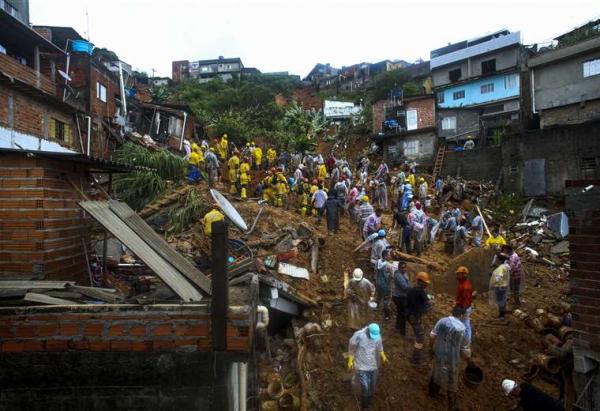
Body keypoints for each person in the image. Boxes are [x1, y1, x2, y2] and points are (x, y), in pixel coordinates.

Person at [428, 306, 471, 411]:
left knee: (436, 371)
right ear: (461, 316)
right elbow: (464, 349)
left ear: (452, 312)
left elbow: (432, 336)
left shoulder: (442, 321)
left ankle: (432, 393)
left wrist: (431, 348)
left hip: (439, 352)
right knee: (452, 380)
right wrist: (469, 360)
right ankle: (452, 406)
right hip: (453, 358)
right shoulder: (463, 329)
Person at [347, 323, 388, 411]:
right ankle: (364, 406)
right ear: (368, 331)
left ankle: (369, 402)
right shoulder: (359, 335)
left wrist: (383, 356)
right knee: (365, 387)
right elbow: (352, 348)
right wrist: (350, 360)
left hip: (372, 366)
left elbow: (380, 347)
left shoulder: (377, 336)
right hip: (361, 367)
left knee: (372, 386)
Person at [407, 272, 432, 365]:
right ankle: (415, 359)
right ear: (420, 282)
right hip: (415, 317)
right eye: (425, 283)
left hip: (410, 315)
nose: (426, 285)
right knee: (420, 337)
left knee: (418, 333)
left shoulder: (411, 289)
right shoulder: (421, 291)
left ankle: (416, 354)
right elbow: (428, 304)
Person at [455, 266, 474, 345]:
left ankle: (466, 343)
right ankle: (463, 341)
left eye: (459, 274)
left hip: (464, 307)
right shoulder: (462, 283)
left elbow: (466, 299)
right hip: (463, 306)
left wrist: (462, 309)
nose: (457, 276)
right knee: (464, 323)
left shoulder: (465, 286)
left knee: (465, 325)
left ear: (464, 275)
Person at [489, 253, 510, 320]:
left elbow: (499, 277)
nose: (495, 260)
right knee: (502, 300)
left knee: (500, 301)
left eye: (497, 259)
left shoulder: (501, 268)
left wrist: (493, 283)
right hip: (504, 286)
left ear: (499, 260)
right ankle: (502, 313)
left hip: (500, 286)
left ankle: (501, 316)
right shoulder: (505, 266)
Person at [375, 250, 394, 320]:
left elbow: (375, 271)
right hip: (386, 285)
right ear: (385, 256)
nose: (390, 256)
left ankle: (376, 307)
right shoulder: (389, 265)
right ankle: (386, 315)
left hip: (378, 282)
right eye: (389, 255)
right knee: (386, 300)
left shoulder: (378, 262)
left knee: (378, 295)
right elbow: (392, 276)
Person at [393, 261, 410, 335]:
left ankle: (398, 327)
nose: (404, 269)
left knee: (400, 313)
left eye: (405, 267)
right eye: (402, 267)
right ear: (399, 268)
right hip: (399, 297)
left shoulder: (403, 274)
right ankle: (402, 332)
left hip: (401, 296)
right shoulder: (398, 275)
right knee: (403, 314)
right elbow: (405, 287)